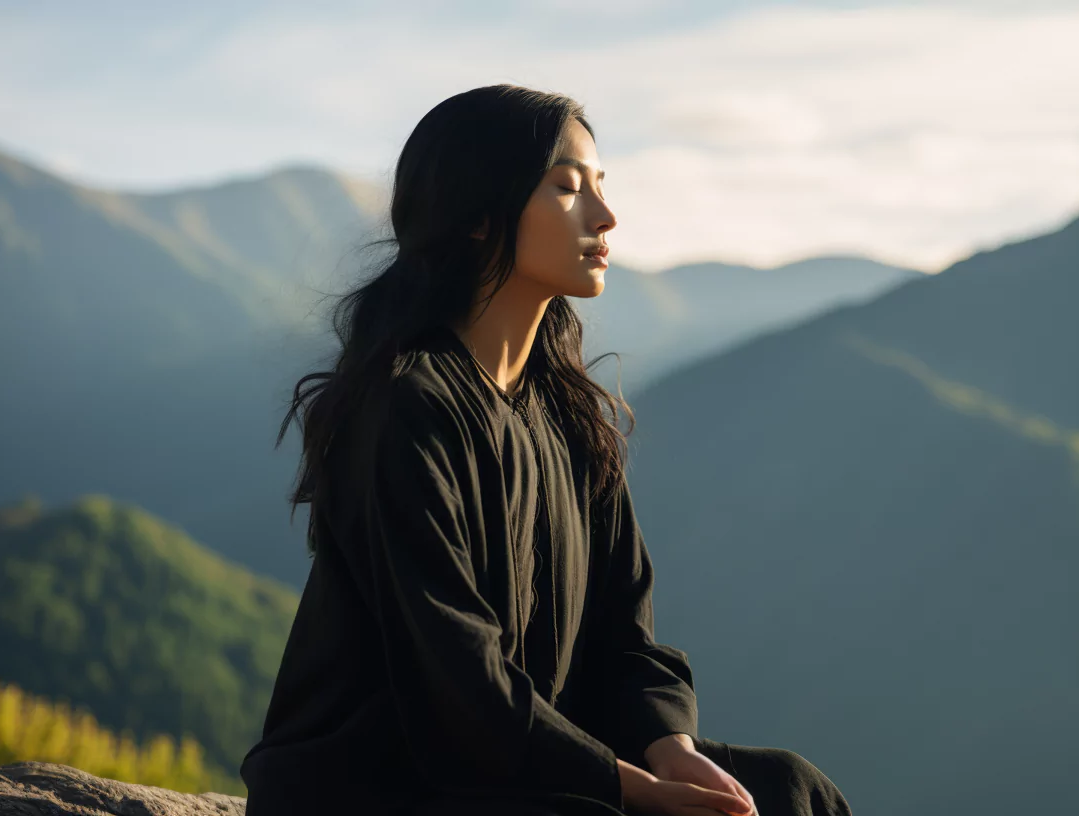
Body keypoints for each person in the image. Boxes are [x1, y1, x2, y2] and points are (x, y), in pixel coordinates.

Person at [239, 84, 853, 816]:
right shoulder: (409, 407)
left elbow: (627, 634)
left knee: (787, 788)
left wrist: (672, 752)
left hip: (520, 761)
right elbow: (458, 683)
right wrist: (635, 790)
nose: (605, 215)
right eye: (568, 188)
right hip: (387, 781)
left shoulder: (567, 415)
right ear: (478, 217)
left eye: (600, 186)